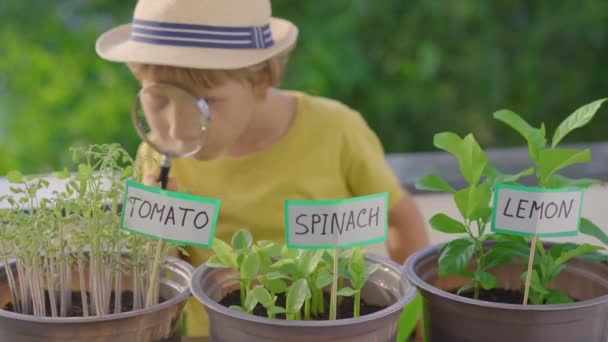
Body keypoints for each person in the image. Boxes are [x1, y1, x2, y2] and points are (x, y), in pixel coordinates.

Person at [96, 0, 429, 337]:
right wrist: (158, 235)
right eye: (158, 99)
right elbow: (167, 277)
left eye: (206, 102)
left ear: (261, 78)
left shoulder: (336, 130)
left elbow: (401, 219)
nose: (178, 126)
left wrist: (413, 327)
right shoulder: (155, 154)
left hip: (326, 327)